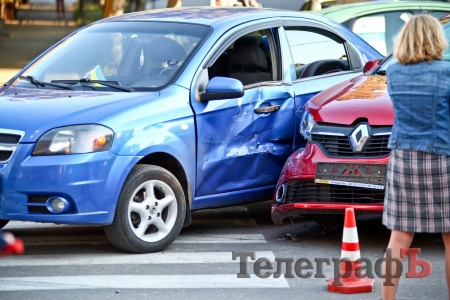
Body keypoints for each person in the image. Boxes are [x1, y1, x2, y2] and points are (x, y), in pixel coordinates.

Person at [382, 14, 450, 300]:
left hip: (403, 159)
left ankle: (387, 299)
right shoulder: (446, 73)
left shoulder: (393, 72)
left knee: (399, 236)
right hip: (442, 157)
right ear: (437, 39)